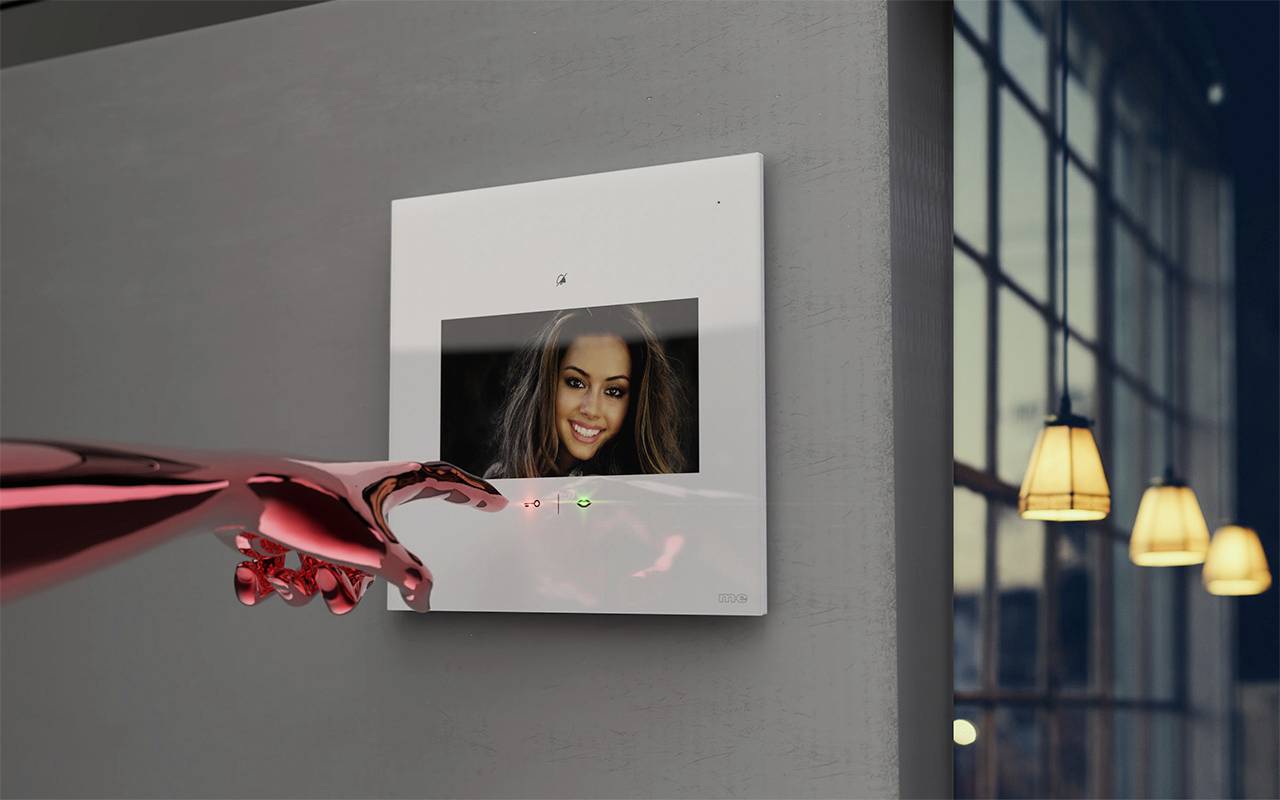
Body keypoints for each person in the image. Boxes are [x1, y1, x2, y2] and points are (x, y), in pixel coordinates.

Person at [486, 304, 688, 478]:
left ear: (634, 402)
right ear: (548, 383)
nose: (591, 409)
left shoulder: (633, 499)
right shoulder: (500, 480)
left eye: (614, 391)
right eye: (576, 383)